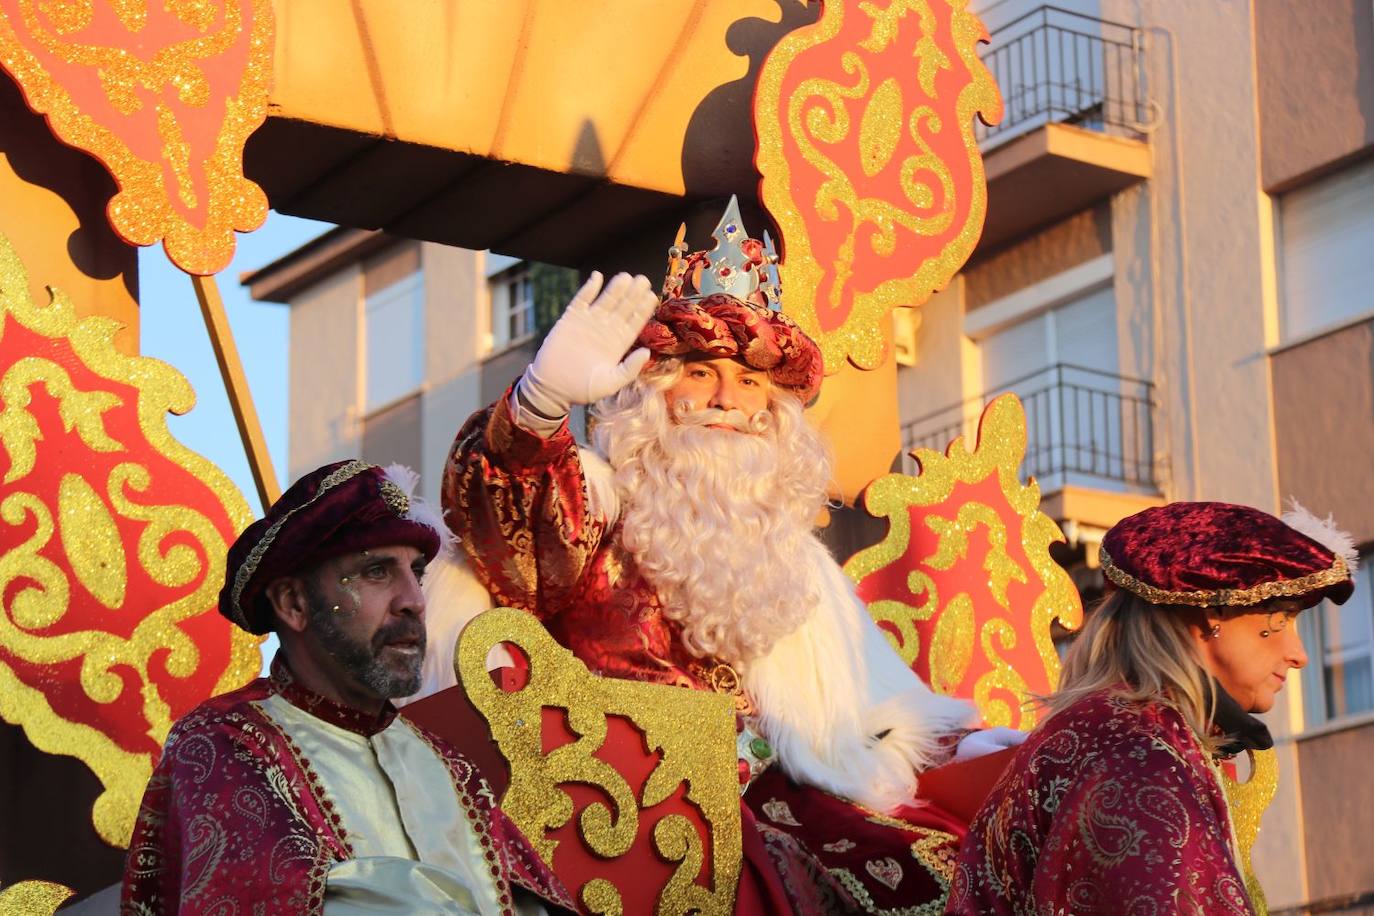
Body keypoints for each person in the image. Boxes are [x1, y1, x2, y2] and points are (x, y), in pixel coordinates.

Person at [435, 198, 1019, 912]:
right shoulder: (598, 499)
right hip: (620, 816)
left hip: (779, 804)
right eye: (701, 372)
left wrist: (969, 745)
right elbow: (512, 537)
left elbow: (879, 701)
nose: (727, 401)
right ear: (653, 387)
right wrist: (539, 406)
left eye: (750, 383)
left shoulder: (794, 561)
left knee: (934, 870)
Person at [121, 460, 570, 915]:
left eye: (416, 572)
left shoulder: (450, 767)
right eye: (377, 572)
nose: (414, 600)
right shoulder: (223, 743)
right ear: (295, 604)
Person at [946, 501, 1357, 915]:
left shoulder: (1117, 732)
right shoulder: (1137, 756)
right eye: (1282, 619)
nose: (1299, 654)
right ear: (1212, 611)